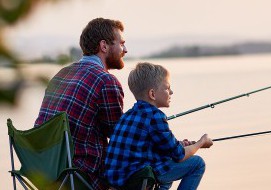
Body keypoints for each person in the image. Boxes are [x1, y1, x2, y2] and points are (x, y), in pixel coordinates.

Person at [34, 17, 127, 190]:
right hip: (81, 176)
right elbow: (119, 138)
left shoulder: (62, 74)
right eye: (121, 44)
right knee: (148, 168)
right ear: (104, 46)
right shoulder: (106, 81)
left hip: (47, 174)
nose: (125, 50)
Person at [104, 62, 213, 190]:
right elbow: (180, 155)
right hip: (136, 180)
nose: (171, 92)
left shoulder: (127, 115)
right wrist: (201, 142)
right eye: (167, 88)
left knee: (165, 161)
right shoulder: (155, 116)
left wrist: (178, 144)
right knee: (197, 163)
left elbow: (150, 145)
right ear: (152, 94)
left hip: (117, 180)